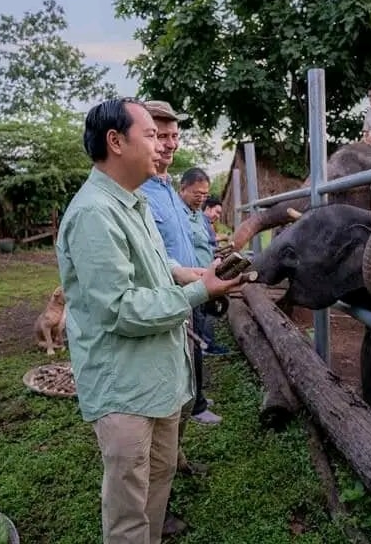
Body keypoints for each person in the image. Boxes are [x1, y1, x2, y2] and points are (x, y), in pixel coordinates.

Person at [56, 98, 241, 544]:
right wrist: (199, 291)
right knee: (128, 506)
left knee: (156, 483)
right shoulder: (93, 214)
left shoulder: (132, 202)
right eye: (152, 135)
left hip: (156, 380)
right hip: (125, 388)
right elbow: (120, 308)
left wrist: (187, 273)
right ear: (115, 142)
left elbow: (151, 270)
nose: (162, 145)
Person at [139, 101, 223, 426]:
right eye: (159, 135)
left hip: (188, 287)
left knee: (190, 352)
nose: (170, 143)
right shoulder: (137, 195)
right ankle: (194, 406)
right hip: (164, 298)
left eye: (174, 135)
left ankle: (190, 403)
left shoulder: (168, 190)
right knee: (183, 355)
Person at [179, 169, 230, 356]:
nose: (201, 198)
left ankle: (203, 349)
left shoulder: (199, 216)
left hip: (204, 275)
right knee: (196, 318)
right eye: (197, 194)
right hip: (188, 278)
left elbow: (205, 244)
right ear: (183, 189)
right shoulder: (177, 215)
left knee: (203, 314)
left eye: (204, 195)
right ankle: (201, 349)